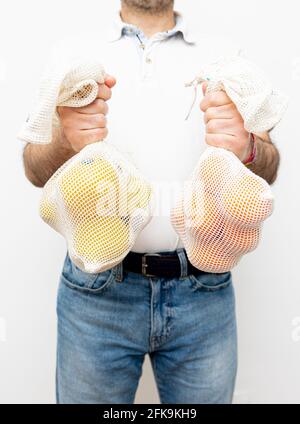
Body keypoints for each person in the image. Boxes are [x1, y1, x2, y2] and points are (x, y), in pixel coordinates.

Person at [22, 0, 280, 404]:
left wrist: (246, 145)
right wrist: (65, 140)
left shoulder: (226, 54)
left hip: (203, 291)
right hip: (96, 294)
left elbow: (268, 166)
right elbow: (35, 170)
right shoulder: (74, 54)